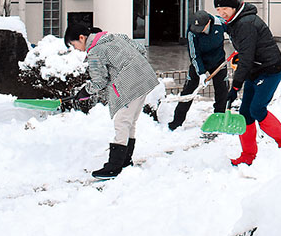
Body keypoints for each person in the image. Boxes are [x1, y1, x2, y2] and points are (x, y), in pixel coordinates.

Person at [213, 0, 281, 166]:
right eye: (218, 10)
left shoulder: (245, 23)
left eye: (224, 8)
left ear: (233, 7)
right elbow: (246, 52)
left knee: (257, 109)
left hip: (269, 70)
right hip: (255, 69)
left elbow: (246, 59)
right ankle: (248, 155)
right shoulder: (234, 20)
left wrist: (235, 87)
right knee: (245, 113)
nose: (221, 13)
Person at [65, 23, 158, 179]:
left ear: (82, 38)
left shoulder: (95, 51)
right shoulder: (115, 37)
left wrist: (84, 92)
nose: (76, 49)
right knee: (130, 122)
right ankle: (125, 161)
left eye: (74, 45)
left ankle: (114, 167)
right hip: (145, 78)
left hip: (130, 84)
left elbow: (99, 82)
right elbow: (141, 49)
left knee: (122, 122)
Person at [168, 10, 228, 131]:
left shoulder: (219, 23)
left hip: (218, 62)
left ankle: (219, 117)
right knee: (189, 90)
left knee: (222, 90)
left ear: (208, 23)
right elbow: (194, 54)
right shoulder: (192, 31)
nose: (198, 30)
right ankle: (177, 122)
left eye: (201, 27)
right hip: (200, 62)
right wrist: (201, 73)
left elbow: (234, 31)